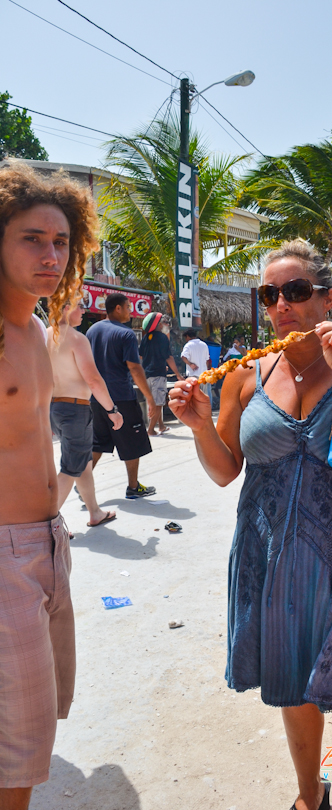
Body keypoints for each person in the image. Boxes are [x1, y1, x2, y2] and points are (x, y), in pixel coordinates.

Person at [170, 239, 332, 810]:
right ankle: (310, 796)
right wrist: (202, 428)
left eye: (298, 291)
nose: (283, 305)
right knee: (291, 684)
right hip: (266, 550)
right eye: (270, 294)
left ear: (326, 298)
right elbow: (227, 471)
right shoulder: (245, 374)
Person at [0, 162, 98, 808]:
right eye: (32, 239)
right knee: (22, 747)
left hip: (47, 543)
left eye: (61, 241)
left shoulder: (36, 329)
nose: (50, 255)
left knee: (33, 727)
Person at [47, 300, 123, 527]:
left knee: (83, 463)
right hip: (74, 408)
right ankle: (45, 524)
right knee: (71, 468)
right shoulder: (76, 339)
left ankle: (95, 511)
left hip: (55, 407)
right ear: (64, 307)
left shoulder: (45, 335)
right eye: (79, 305)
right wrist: (112, 410)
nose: (83, 310)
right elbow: (94, 379)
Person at [86, 293, 157, 499]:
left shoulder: (91, 331)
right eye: (127, 307)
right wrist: (149, 398)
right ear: (117, 308)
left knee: (98, 442)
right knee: (132, 441)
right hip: (121, 398)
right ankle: (133, 487)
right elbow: (134, 368)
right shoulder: (125, 334)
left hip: (96, 398)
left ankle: (83, 483)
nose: (130, 311)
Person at [139, 312, 180, 436]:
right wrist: (178, 374)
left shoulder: (146, 338)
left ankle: (161, 426)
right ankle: (151, 430)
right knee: (158, 403)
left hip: (147, 374)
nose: (165, 324)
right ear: (157, 324)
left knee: (157, 401)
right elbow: (169, 357)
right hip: (158, 374)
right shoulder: (162, 337)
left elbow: (141, 356)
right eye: (163, 322)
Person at [181, 328, 212, 406]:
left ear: (188, 336)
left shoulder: (188, 345)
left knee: (194, 397)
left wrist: (190, 364)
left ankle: (197, 413)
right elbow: (207, 360)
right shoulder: (204, 344)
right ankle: (207, 412)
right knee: (205, 395)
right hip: (203, 375)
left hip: (193, 376)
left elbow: (183, 356)